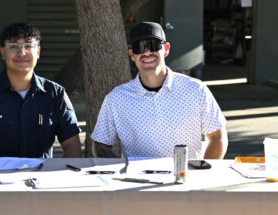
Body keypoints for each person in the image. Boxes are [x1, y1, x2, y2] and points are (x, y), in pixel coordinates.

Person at [91, 21, 228, 159]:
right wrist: (117, 173)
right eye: (139, 47)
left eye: (154, 45)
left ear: (166, 49)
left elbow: (217, 137)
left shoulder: (196, 90)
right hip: (135, 180)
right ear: (132, 54)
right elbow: (101, 143)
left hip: (185, 177)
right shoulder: (116, 98)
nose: (147, 52)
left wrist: (203, 175)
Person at [0, 22, 82, 158]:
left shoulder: (55, 94)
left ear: (38, 52)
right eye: (13, 47)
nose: (21, 53)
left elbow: (72, 145)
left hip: (39, 177)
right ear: (2, 52)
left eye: (28, 46)